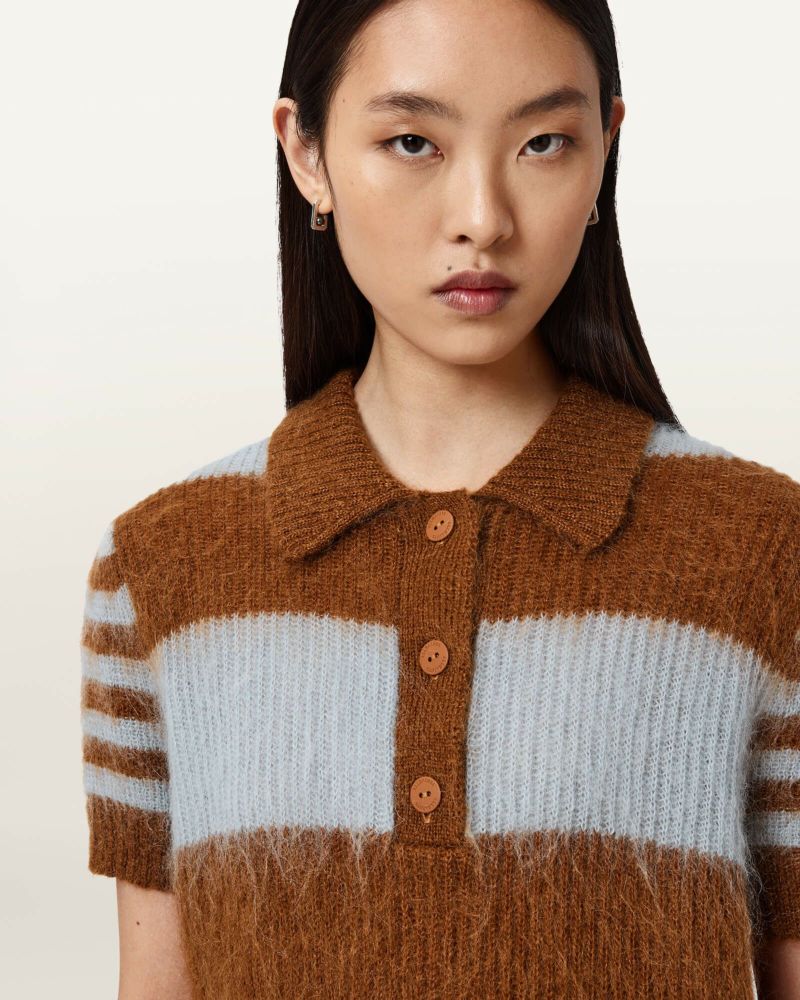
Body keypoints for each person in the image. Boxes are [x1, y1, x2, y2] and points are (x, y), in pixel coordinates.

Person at [79, 1, 800, 997]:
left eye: (543, 142)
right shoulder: (158, 572)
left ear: (605, 150)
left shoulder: (766, 553)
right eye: (412, 142)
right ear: (305, 152)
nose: (482, 217)